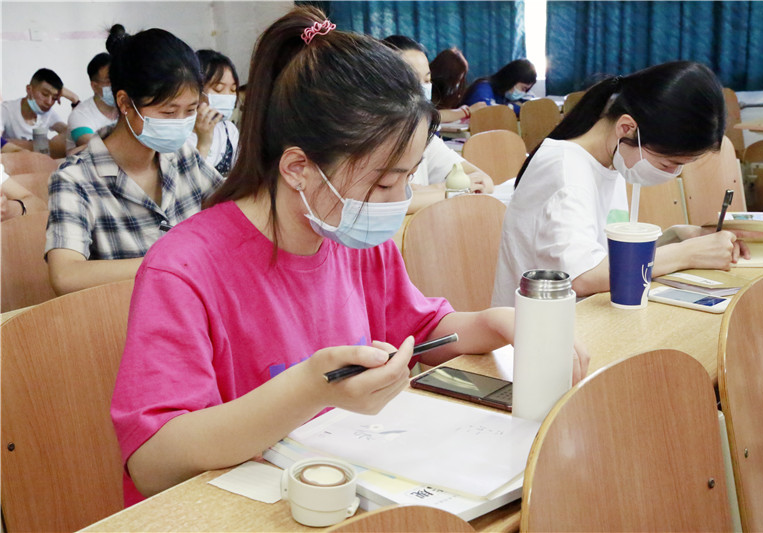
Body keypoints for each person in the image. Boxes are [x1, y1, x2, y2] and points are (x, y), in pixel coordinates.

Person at [110, 7, 589, 506]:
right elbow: (153, 462)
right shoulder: (184, 269)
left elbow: (420, 331)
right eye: (384, 183)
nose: (400, 200)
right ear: (298, 167)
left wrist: (496, 323)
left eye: (408, 178)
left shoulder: (351, 235)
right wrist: (309, 389)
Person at [492, 61, 761, 306]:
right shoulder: (565, 171)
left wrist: (679, 237)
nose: (674, 173)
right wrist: (685, 254)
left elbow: (602, 254)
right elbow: (582, 276)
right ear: (626, 128)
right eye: (668, 163)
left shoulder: (610, 160)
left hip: (586, 320)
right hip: (535, 332)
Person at [45, 24, 223, 296]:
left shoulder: (183, 157)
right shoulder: (75, 179)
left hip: (193, 307)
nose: (180, 123)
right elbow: (65, 275)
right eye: (168, 112)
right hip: (124, 315)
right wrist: (173, 261)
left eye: (190, 111)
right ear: (125, 103)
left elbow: (236, 206)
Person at [381, 35, 493, 212]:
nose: (422, 88)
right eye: (412, 80)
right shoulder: (370, 142)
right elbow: (388, 204)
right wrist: (445, 191)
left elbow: (483, 181)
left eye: (427, 80)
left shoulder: (425, 138)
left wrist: (429, 191)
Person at [187, 49, 240, 176]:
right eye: (218, 89)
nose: (227, 96)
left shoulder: (229, 131)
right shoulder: (177, 135)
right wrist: (203, 143)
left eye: (233, 90)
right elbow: (187, 183)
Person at [0, 68, 75, 155]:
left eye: (54, 98)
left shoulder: (49, 114)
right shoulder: (6, 109)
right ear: (29, 90)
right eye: (45, 94)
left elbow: (74, 134)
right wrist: (30, 149)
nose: (49, 102)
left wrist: (74, 100)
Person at [67, 53, 119, 150]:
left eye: (118, 79)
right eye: (110, 81)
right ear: (94, 86)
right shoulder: (79, 115)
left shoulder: (127, 108)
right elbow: (97, 147)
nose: (117, 85)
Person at [462, 59, 537, 116]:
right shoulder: (483, 87)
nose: (523, 93)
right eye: (523, 88)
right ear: (512, 79)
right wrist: (515, 107)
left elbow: (532, 105)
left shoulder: (505, 93)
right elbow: (487, 112)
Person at [430, 47, 486, 122]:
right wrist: (466, 111)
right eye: (458, 79)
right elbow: (433, 116)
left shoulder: (454, 95)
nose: (459, 84)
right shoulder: (428, 90)